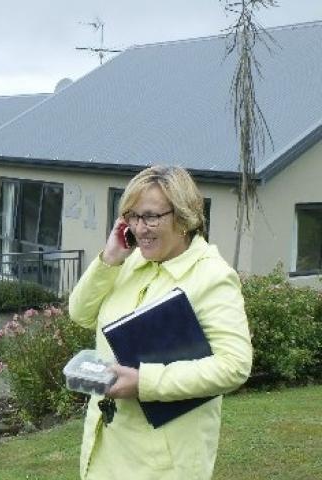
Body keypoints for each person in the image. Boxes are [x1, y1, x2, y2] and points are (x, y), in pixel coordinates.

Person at [68, 165, 252, 480]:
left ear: (184, 217)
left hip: (163, 461)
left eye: (151, 216)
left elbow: (234, 365)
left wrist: (145, 382)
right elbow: (80, 313)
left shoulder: (212, 277)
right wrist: (109, 259)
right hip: (107, 446)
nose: (140, 228)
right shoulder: (132, 260)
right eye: (132, 216)